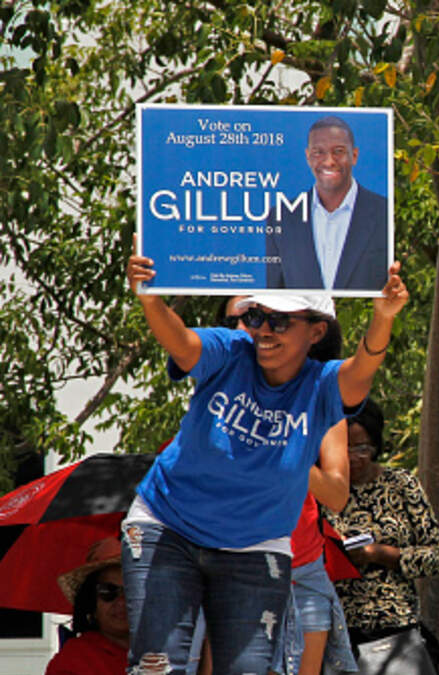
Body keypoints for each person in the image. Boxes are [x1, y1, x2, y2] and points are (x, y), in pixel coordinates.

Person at [122, 249, 407, 674]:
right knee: (156, 668)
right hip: (168, 528)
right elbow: (181, 343)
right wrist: (150, 299)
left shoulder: (321, 388)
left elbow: (362, 369)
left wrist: (383, 317)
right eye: (257, 317)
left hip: (255, 548)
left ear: (316, 331)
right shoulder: (231, 350)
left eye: (281, 321)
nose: (264, 331)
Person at [214, 295, 358, 675]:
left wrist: (284, 446)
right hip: (228, 568)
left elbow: (337, 494)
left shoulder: (323, 399)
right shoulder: (217, 399)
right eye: (241, 320)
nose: (250, 328)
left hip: (300, 572)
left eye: (267, 318)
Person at [324, 398, 439, 675]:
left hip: (395, 630)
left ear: (376, 445)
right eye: (345, 448)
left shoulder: (402, 485)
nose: (354, 457)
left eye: (362, 448)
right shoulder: (322, 489)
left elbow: (435, 557)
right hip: (336, 631)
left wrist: (379, 554)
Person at [266, 115, 389, 291]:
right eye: (318, 152)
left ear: (354, 156)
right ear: (308, 157)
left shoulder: (384, 213)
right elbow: (274, 291)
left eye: (338, 151)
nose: (329, 161)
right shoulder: (281, 217)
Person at [46, 537, 127, 675]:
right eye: (107, 591)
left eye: (132, 592)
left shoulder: (163, 651)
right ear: (91, 602)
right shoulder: (73, 660)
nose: (121, 602)